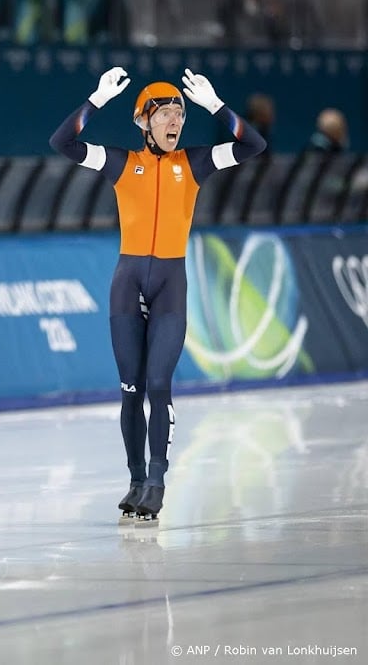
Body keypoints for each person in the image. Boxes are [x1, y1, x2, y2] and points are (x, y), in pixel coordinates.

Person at [49, 67, 266, 524]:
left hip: (170, 284)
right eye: (165, 113)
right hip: (127, 284)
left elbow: (253, 145)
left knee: (159, 385)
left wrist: (214, 106)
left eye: (180, 115)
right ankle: (134, 479)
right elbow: (62, 143)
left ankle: (157, 482)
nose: (175, 122)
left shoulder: (195, 163)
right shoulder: (122, 164)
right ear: (143, 122)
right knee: (131, 390)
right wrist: (95, 99)